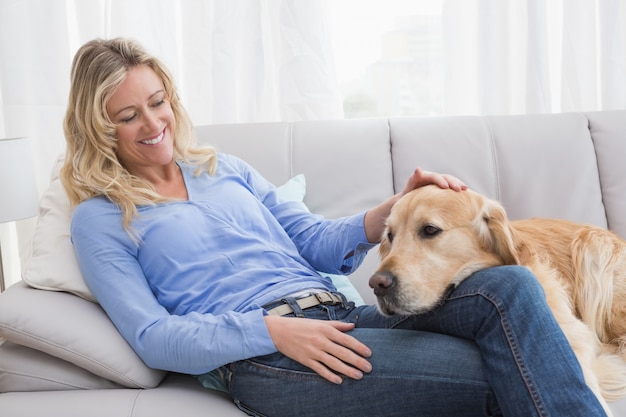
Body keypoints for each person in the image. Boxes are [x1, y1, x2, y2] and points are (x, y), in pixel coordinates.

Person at [60, 37, 607, 417]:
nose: (154, 125)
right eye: (128, 116)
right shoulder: (99, 219)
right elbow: (153, 337)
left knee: (511, 287)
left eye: (157, 103)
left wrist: (396, 206)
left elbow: (314, 242)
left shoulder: (223, 169)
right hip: (269, 356)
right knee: (517, 363)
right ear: (98, 127)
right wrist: (269, 332)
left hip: (344, 317)